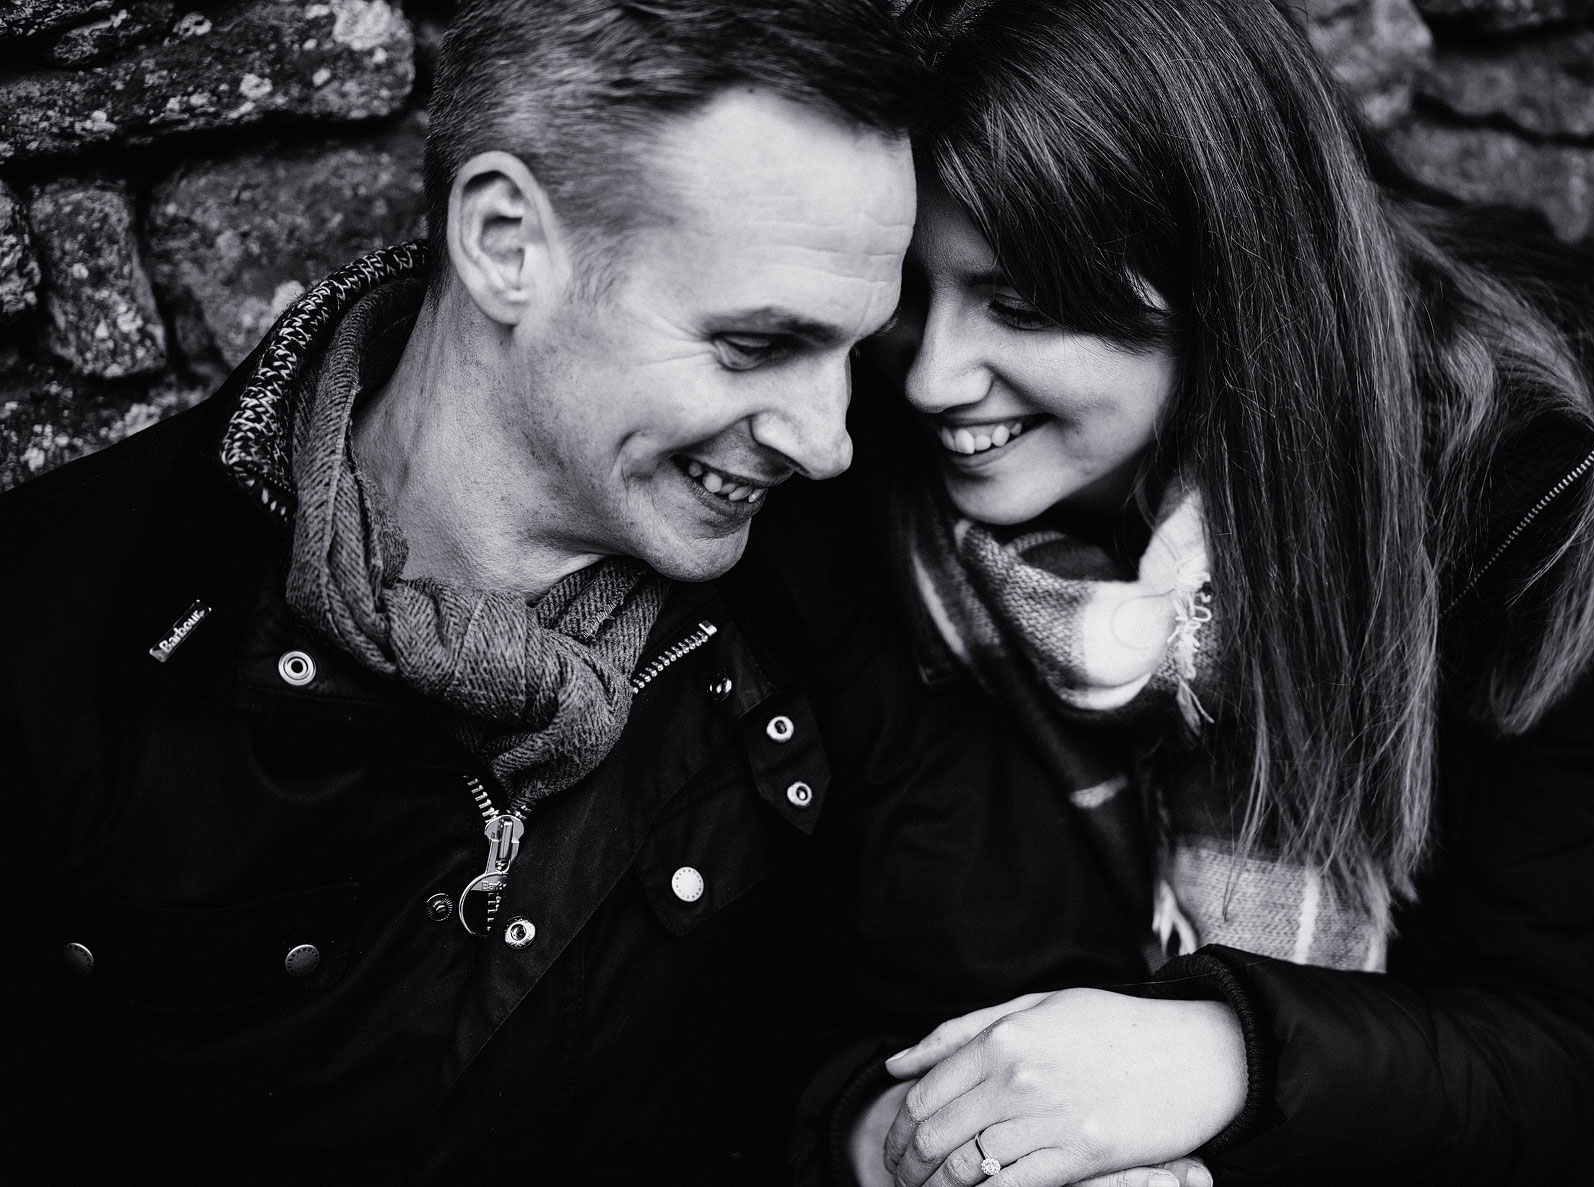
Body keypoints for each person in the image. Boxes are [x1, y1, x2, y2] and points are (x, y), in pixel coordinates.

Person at [0, 1, 921, 1180]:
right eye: (754, 344)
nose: (828, 438)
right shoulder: (63, 636)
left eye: (854, 349)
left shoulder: (826, 575)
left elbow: (885, 1001)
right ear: (503, 241)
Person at [800, 0, 1594, 1183]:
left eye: (1017, 303)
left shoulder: (1491, 489)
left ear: (1215, 282)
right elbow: (765, 992)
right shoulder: (846, 473)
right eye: (917, 289)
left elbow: (1560, 1038)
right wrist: (893, 1136)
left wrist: (1224, 1051)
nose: (932, 374)